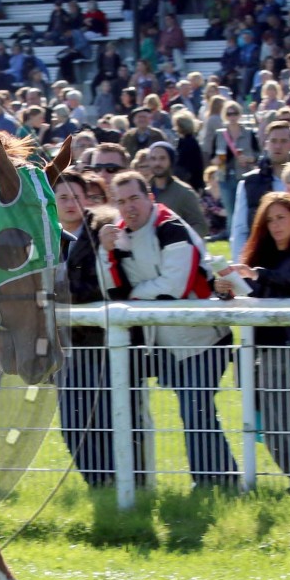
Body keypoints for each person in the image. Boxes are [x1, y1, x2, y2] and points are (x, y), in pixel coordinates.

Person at [98, 171, 237, 486]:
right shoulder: (116, 235)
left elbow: (174, 287)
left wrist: (134, 295)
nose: (129, 207)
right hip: (165, 343)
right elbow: (111, 290)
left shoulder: (171, 226)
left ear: (150, 198)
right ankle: (222, 480)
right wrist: (104, 253)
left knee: (194, 410)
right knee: (196, 411)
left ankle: (215, 482)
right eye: (121, 201)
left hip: (205, 337)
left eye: (135, 198)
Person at [216, 193, 290, 489]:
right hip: (267, 352)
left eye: (281, 218)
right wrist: (225, 289)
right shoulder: (257, 256)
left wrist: (258, 274)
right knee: (272, 426)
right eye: (269, 220)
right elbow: (246, 295)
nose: (275, 225)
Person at [55, 172, 149, 486]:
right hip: (68, 348)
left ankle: (128, 485)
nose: (70, 203)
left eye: (75, 196)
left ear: (87, 198)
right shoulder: (42, 238)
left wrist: (57, 293)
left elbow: (111, 285)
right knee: (72, 423)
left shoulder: (105, 229)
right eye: (63, 197)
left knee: (115, 418)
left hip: (109, 343)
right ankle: (101, 484)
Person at [230, 120, 290, 258]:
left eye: (283, 141)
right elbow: (240, 230)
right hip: (263, 256)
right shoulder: (249, 183)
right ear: (266, 144)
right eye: (273, 141)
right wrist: (240, 263)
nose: (278, 146)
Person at [146, 142, 209, 238]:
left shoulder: (184, 192)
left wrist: (180, 238)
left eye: (162, 158)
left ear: (171, 161)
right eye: (153, 159)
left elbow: (201, 226)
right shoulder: (143, 190)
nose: (157, 163)